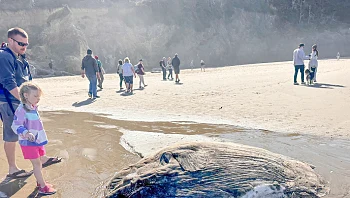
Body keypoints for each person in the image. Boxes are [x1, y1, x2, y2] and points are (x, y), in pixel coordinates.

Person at [0, 27, 34, 179]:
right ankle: (12, 169)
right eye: (21, 43)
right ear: (10, 41)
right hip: (8, 102)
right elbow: (8, 82)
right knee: (11, 134)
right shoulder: (4, 57)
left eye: (26, 44)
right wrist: (25, 100)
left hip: (16, 100)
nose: (24, 47)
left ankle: (41, 158)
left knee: (31, 127)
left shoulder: (18, 56)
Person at [11, 82, 56, 195]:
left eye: (39, 96)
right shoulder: (21, 109)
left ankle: (39, 182)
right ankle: (43, 187)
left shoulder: (32, 107)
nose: (38, 99)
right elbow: (15, 125)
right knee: (36, 164)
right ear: (26, 95)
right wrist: (25, 133)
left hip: (37, 140)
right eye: (35, 96)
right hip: (28, 142)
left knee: (39, 162)